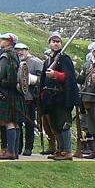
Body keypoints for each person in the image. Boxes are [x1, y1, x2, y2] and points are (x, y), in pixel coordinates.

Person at [40, 32, 80, 160]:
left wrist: (56, 75)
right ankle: (60, 150)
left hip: (62, 97)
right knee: (55, 125)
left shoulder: (65, 59)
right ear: (49, 43)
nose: (56, 43)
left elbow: (69, 77)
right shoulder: (48, 61)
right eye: (53, 41)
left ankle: (67, 151)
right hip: (51, 98)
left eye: (58, 41)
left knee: (64, 124)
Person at [0, 33, 25, 160]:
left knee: (9, 122)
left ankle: (11, 151)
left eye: (4, 39)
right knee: (15, 123)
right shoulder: (15, 55)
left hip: (6, 91)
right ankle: (14, 151)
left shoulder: (5, 56)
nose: (0, 41)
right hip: (14, 92)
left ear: (9, 42)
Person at [14, 42, 43, 155]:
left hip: (30, 98)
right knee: (18, 123)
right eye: (17, 50)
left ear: (27, 50)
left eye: (22, 50)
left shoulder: (36, 62)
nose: (19, 52)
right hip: (17, 97)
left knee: (30, 123)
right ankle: (18, 147)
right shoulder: (16, 62)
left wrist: (33, 79)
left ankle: (28, 147)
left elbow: (43, 79)